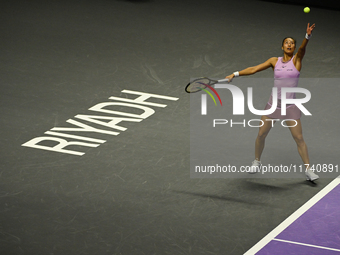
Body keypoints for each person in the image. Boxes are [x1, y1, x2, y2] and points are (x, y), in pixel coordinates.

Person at [225, 23, 319, 181]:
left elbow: (303, 50)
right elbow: (254, 69)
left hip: (290, 107)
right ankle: (257, 161)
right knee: (261, 134)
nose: (289, 44)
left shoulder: (296, 60)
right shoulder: (274, 61)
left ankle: (309, 170)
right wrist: (234, 74)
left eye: (292, 43)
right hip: (273, 105)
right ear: (282, 46)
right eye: (286, 42)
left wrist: (307, 36)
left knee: (299, 138)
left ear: (295, 47)